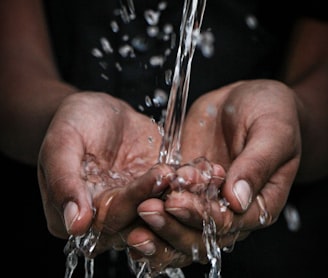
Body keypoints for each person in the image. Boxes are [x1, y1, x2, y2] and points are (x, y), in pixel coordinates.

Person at [0, 0, 327, 277]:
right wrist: (60, 119)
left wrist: (294, 117)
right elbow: (13, 77)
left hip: (274, 245)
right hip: (33, 224)